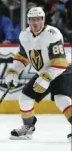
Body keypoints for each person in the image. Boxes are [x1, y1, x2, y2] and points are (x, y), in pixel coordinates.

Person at [5, 7, 72, 141]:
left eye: (38, 19)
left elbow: (59, 62)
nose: (35, 23)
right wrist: (13, 72)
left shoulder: (53, 34)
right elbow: (23, 57)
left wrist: (46, 78)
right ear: (28, 21)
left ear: (43, 20)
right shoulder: (24, 35)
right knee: (24, 98)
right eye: (32, 20)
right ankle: (28, 127)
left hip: (62, 69)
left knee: (61, 99)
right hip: (43, 71)